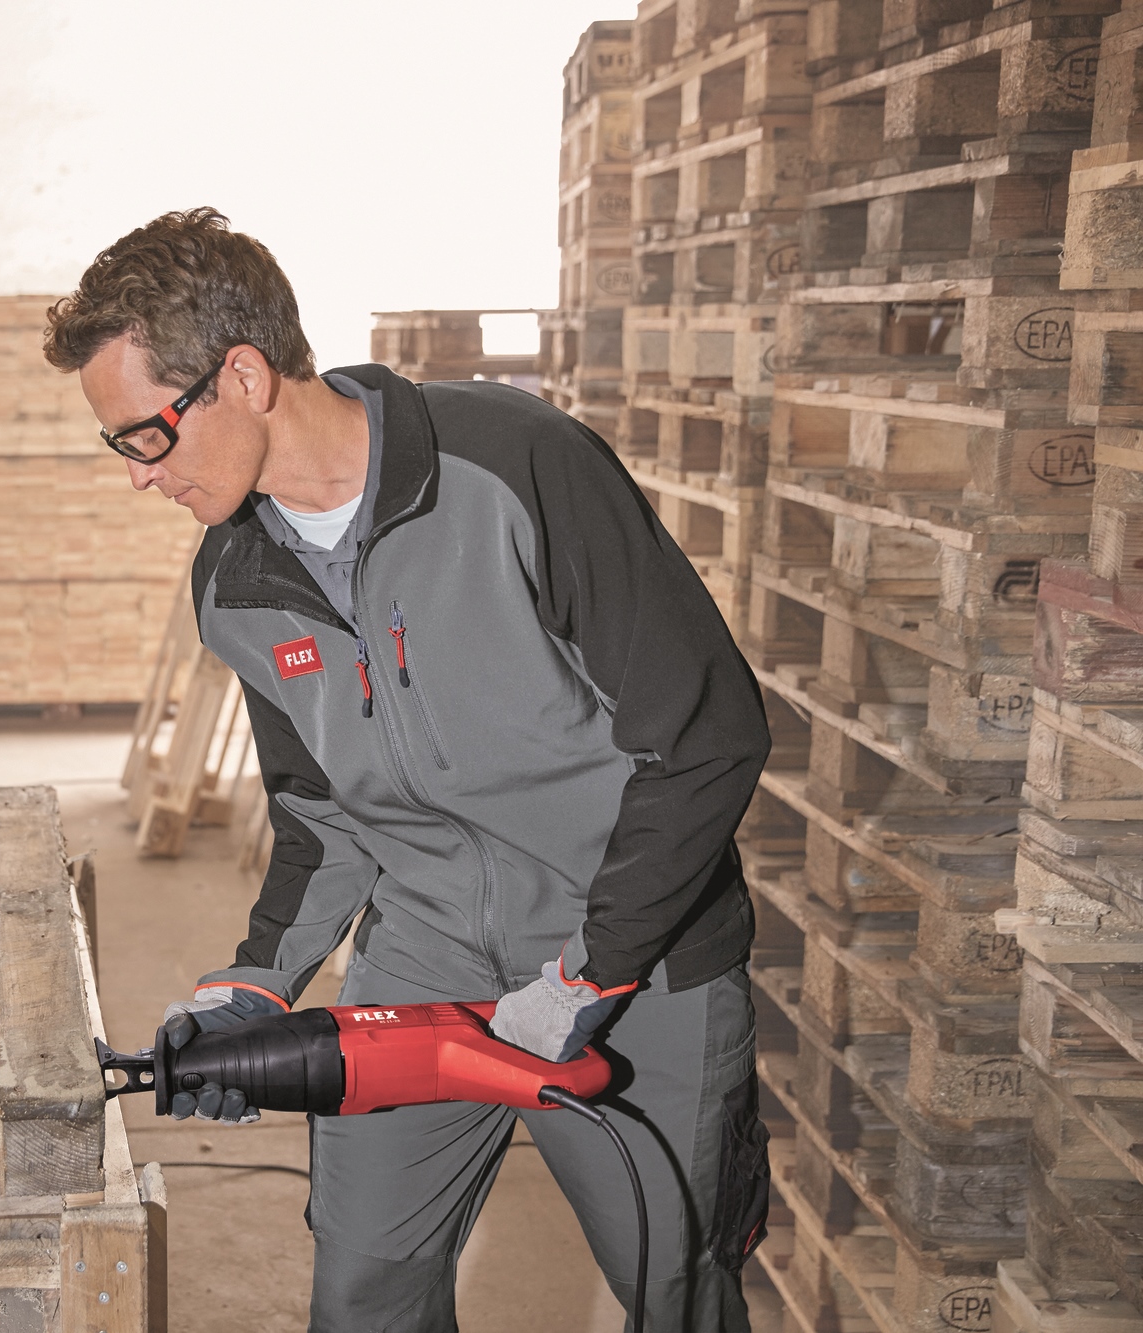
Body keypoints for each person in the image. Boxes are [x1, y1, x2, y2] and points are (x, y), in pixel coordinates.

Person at [45, 209, 774, 1333]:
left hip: (639, 954)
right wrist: (255, 982)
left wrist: (592, 972)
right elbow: (317, 815)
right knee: (364, 1293)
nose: (139, 476)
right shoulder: (234, 583)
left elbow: (706, 736)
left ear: (242, 377)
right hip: (425, 955)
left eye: (144, 436)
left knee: (674, 1291)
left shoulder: (515, 467)